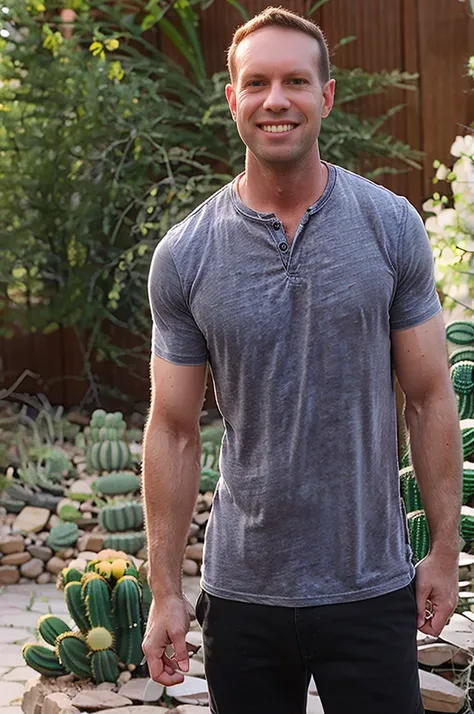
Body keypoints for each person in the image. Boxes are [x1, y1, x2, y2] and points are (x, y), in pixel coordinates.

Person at [142, 6, 463, 714]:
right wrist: (166, 590)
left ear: (328, 95)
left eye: (295, 80)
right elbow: (172, 428)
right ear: (233, 99)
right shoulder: (186, 254)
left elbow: (430, 394)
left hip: (370, 586)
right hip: (242, 596)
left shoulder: (389, 225)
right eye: (256, 83)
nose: (276, 99)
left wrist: (443, 549)